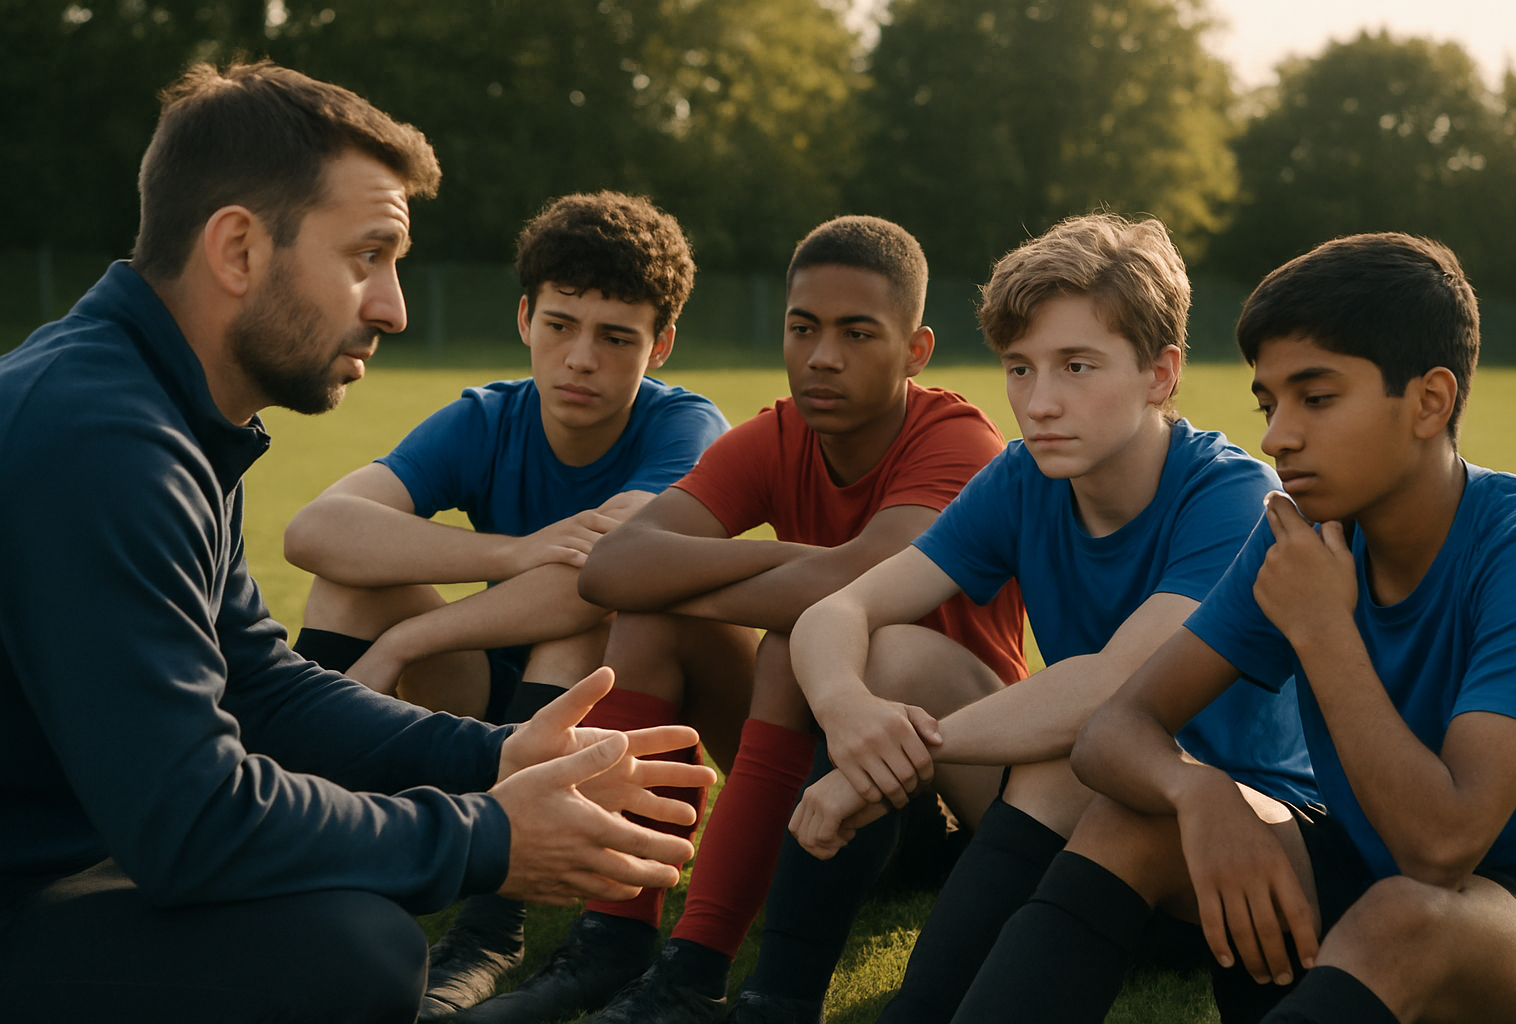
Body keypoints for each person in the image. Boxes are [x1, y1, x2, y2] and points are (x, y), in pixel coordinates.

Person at [0, 61, 714, 1024]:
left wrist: (494, 757)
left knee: (351, 920)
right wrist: (488, 837)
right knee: (354, 956)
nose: (393, 306)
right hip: (35, 883)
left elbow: (258, 681)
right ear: (239, 250)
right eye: (367, 257)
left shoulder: (154, 409)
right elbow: (192, 821)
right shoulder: (101, 439)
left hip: (68, 847)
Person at [949, 232, 1516, 1024]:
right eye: (1270, 403)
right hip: (1364, 873)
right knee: (1134, 817)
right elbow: (1113, 730)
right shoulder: (1300, 532)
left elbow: (1440, 849)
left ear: (1430, 400)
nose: (1276, 437)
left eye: (1316, 398)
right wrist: (1199, 793)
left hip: (1502, 918)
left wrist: (1324, 629)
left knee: (1403, 917)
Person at [457, 215, 1028, 1024]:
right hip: (819, 774)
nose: (822, 355)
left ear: (915, 350)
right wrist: (800, 573)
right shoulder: (777, 433)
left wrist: (727, 580)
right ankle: (620, 943)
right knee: (654, 626)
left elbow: (867, 578)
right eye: (804, 328)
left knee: (814, 637)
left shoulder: (957, 440)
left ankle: (706, 968)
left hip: (946, 791)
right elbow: (616, 569)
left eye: (857, 333)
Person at [779, 213, 1315, 1024]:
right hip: (1087, 812)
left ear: (1160, 374)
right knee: (891, 652)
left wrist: (890, 762)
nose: (1040, 402)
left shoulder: (1229, 495)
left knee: (1071, 755)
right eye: (1020, 369)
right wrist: (847, 713)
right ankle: (771, 997)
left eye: (1076, 366)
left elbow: (1113, 689)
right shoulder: (1024, 476)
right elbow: (839, 608)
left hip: (1233, 846)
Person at [282, 190, 729, 1019]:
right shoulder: (487, 417)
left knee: (581, 624)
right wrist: (510, 551)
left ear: (660, 344)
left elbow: (598, 578)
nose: (581, 359)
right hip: (490, 701)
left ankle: (492, 927)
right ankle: (310, 850)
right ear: (525, 318)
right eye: (560, 325)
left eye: (616, 337)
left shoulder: (685, 430)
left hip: (612, 720)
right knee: (348, 579)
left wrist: (412, 637)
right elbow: (317, 529)